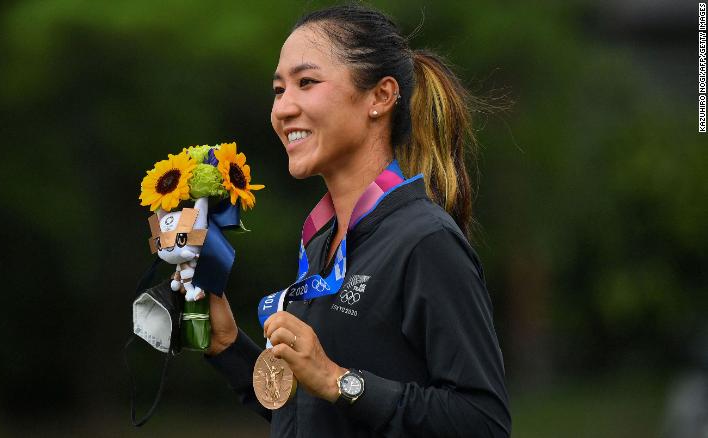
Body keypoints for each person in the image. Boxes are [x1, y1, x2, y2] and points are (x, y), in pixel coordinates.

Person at [202, 4, 511, 437]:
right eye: (278, 89)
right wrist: (228, 346)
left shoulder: (425, 240)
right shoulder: (322, 243)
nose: (283, 109)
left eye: (306, 83)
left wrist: (335, 379)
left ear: (380, 98)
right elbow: (315, 415)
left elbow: (484, 422)